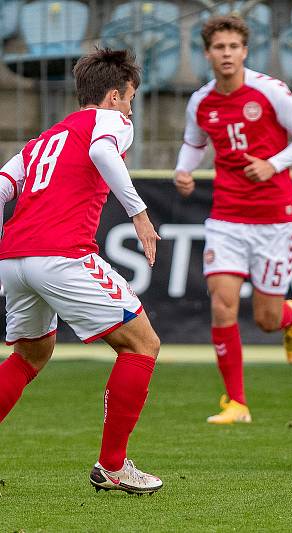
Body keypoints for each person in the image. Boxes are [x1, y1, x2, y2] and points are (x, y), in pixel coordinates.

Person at [0, 48, 163, 494]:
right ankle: (113, 465)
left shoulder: (42, 140)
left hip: (15, 259)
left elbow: (2, 186)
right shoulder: (110, 122)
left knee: (29, 356)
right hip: (62, 254)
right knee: (142, 344)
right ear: (113, 96)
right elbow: (103, 152)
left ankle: (113, 464)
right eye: (129, 98)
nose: (131, 107)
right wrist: (139, 213)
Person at [174, 16, 292, 425]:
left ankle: (291, 318)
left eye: (233, 47)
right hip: (226, 216)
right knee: (221, 307)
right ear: (207, 53)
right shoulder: (201, 101)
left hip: (274, 218)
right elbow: (194, 142)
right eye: (219, 47)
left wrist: (273, 164)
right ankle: (236, 403)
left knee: (266, 319)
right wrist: (183, 170)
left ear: (244, 51)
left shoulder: (270, 91)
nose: (226, 54)